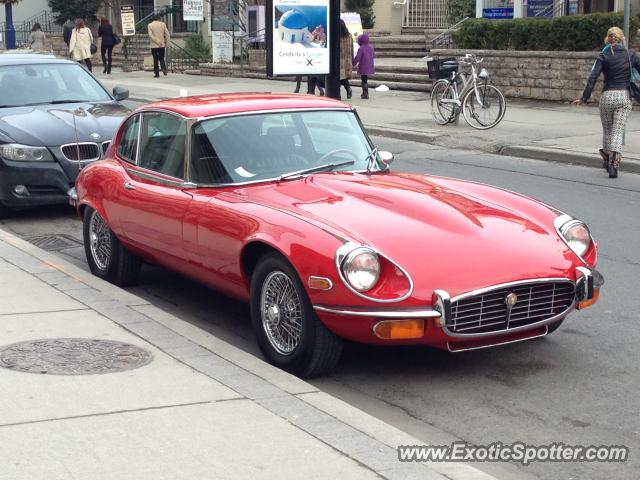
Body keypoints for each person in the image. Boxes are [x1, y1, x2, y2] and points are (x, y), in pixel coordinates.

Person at [573, 26, 640, 178]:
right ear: (623, 38)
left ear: (608, 40)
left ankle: (607, 157)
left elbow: (593, 77)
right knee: (617, 131)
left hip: (607, 97)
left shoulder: (603, 56)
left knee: (608, 131)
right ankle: (614, 164)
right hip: (623, 96)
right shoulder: (631, 55)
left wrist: (584, 98)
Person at [353, 33, 375, 99]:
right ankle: (365, 93)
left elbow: (358, 58)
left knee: (364, 80)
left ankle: (365, 93)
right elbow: (373, 55)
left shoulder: (361, 48)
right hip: (370, 65)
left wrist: (353, 62)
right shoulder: (371, 47)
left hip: (363, 66)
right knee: (365, 79)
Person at [339, 20, 353, 99]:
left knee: (338, 77)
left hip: (339, 60)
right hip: (348, 59)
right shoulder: (349, 35)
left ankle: (339, 94)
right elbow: (352, 48)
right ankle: (348, 89)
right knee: (343, 77)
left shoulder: (337, 36)